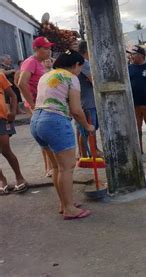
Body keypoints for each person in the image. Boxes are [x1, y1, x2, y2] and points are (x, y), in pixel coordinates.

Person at [30, 50, 94, 219]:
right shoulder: (71, 77)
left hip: (37, 121)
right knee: (67, 168)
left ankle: (65, 203)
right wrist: (87, 126)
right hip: (55, 122)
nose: (80, 70)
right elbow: (76, 110)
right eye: (81, 66)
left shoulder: (47, 75)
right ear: (76, 65)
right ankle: (69, 209)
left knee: (57, 167)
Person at [17, 36, 54, 177]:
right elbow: (21, 83)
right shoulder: (30, 62)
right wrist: (32, 104)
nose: (49, 51)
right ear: (36, 49)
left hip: (44, 103)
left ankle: (50, 166)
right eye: (45, 48)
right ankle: (49, 168)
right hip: (37, 105)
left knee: (46, 137)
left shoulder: (40, 63)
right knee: (44, 137)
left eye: (49, 47)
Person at [0, 72, 28, 195]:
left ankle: (19, 177)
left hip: (1, 118)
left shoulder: (0, 75)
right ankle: (2, 180)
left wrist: (13, 111)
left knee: (6, 150)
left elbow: (13, 95)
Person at [76, 41, 102, 158]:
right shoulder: (84, 63)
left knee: (88, 129)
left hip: (87, 101)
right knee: (86, 130)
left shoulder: (83, 62)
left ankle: (90, 151)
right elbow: (94, 80)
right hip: (87, 102)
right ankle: (85, 154)